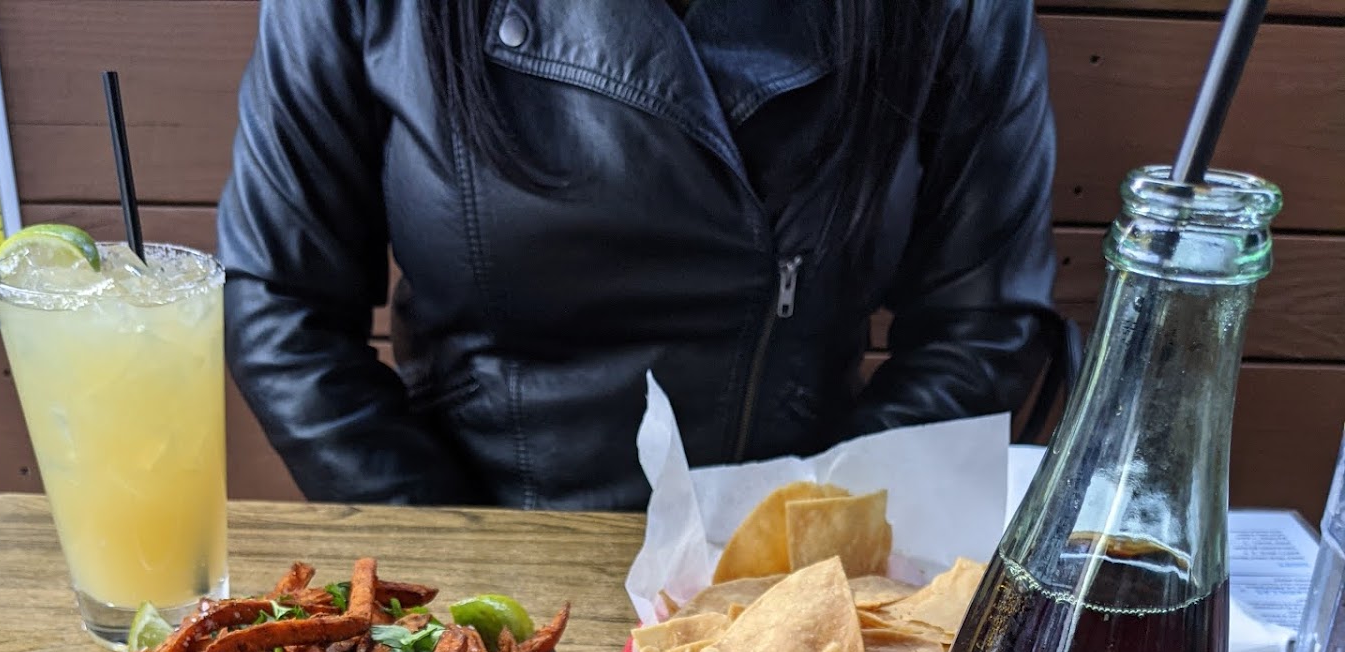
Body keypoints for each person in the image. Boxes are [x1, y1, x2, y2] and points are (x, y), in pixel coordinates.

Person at [218, 0, 1060, 512]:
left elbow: (983, 325)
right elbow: (280, 304)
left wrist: (814, 540)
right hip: (479, 526)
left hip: (796, 540)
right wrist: (452, 552)